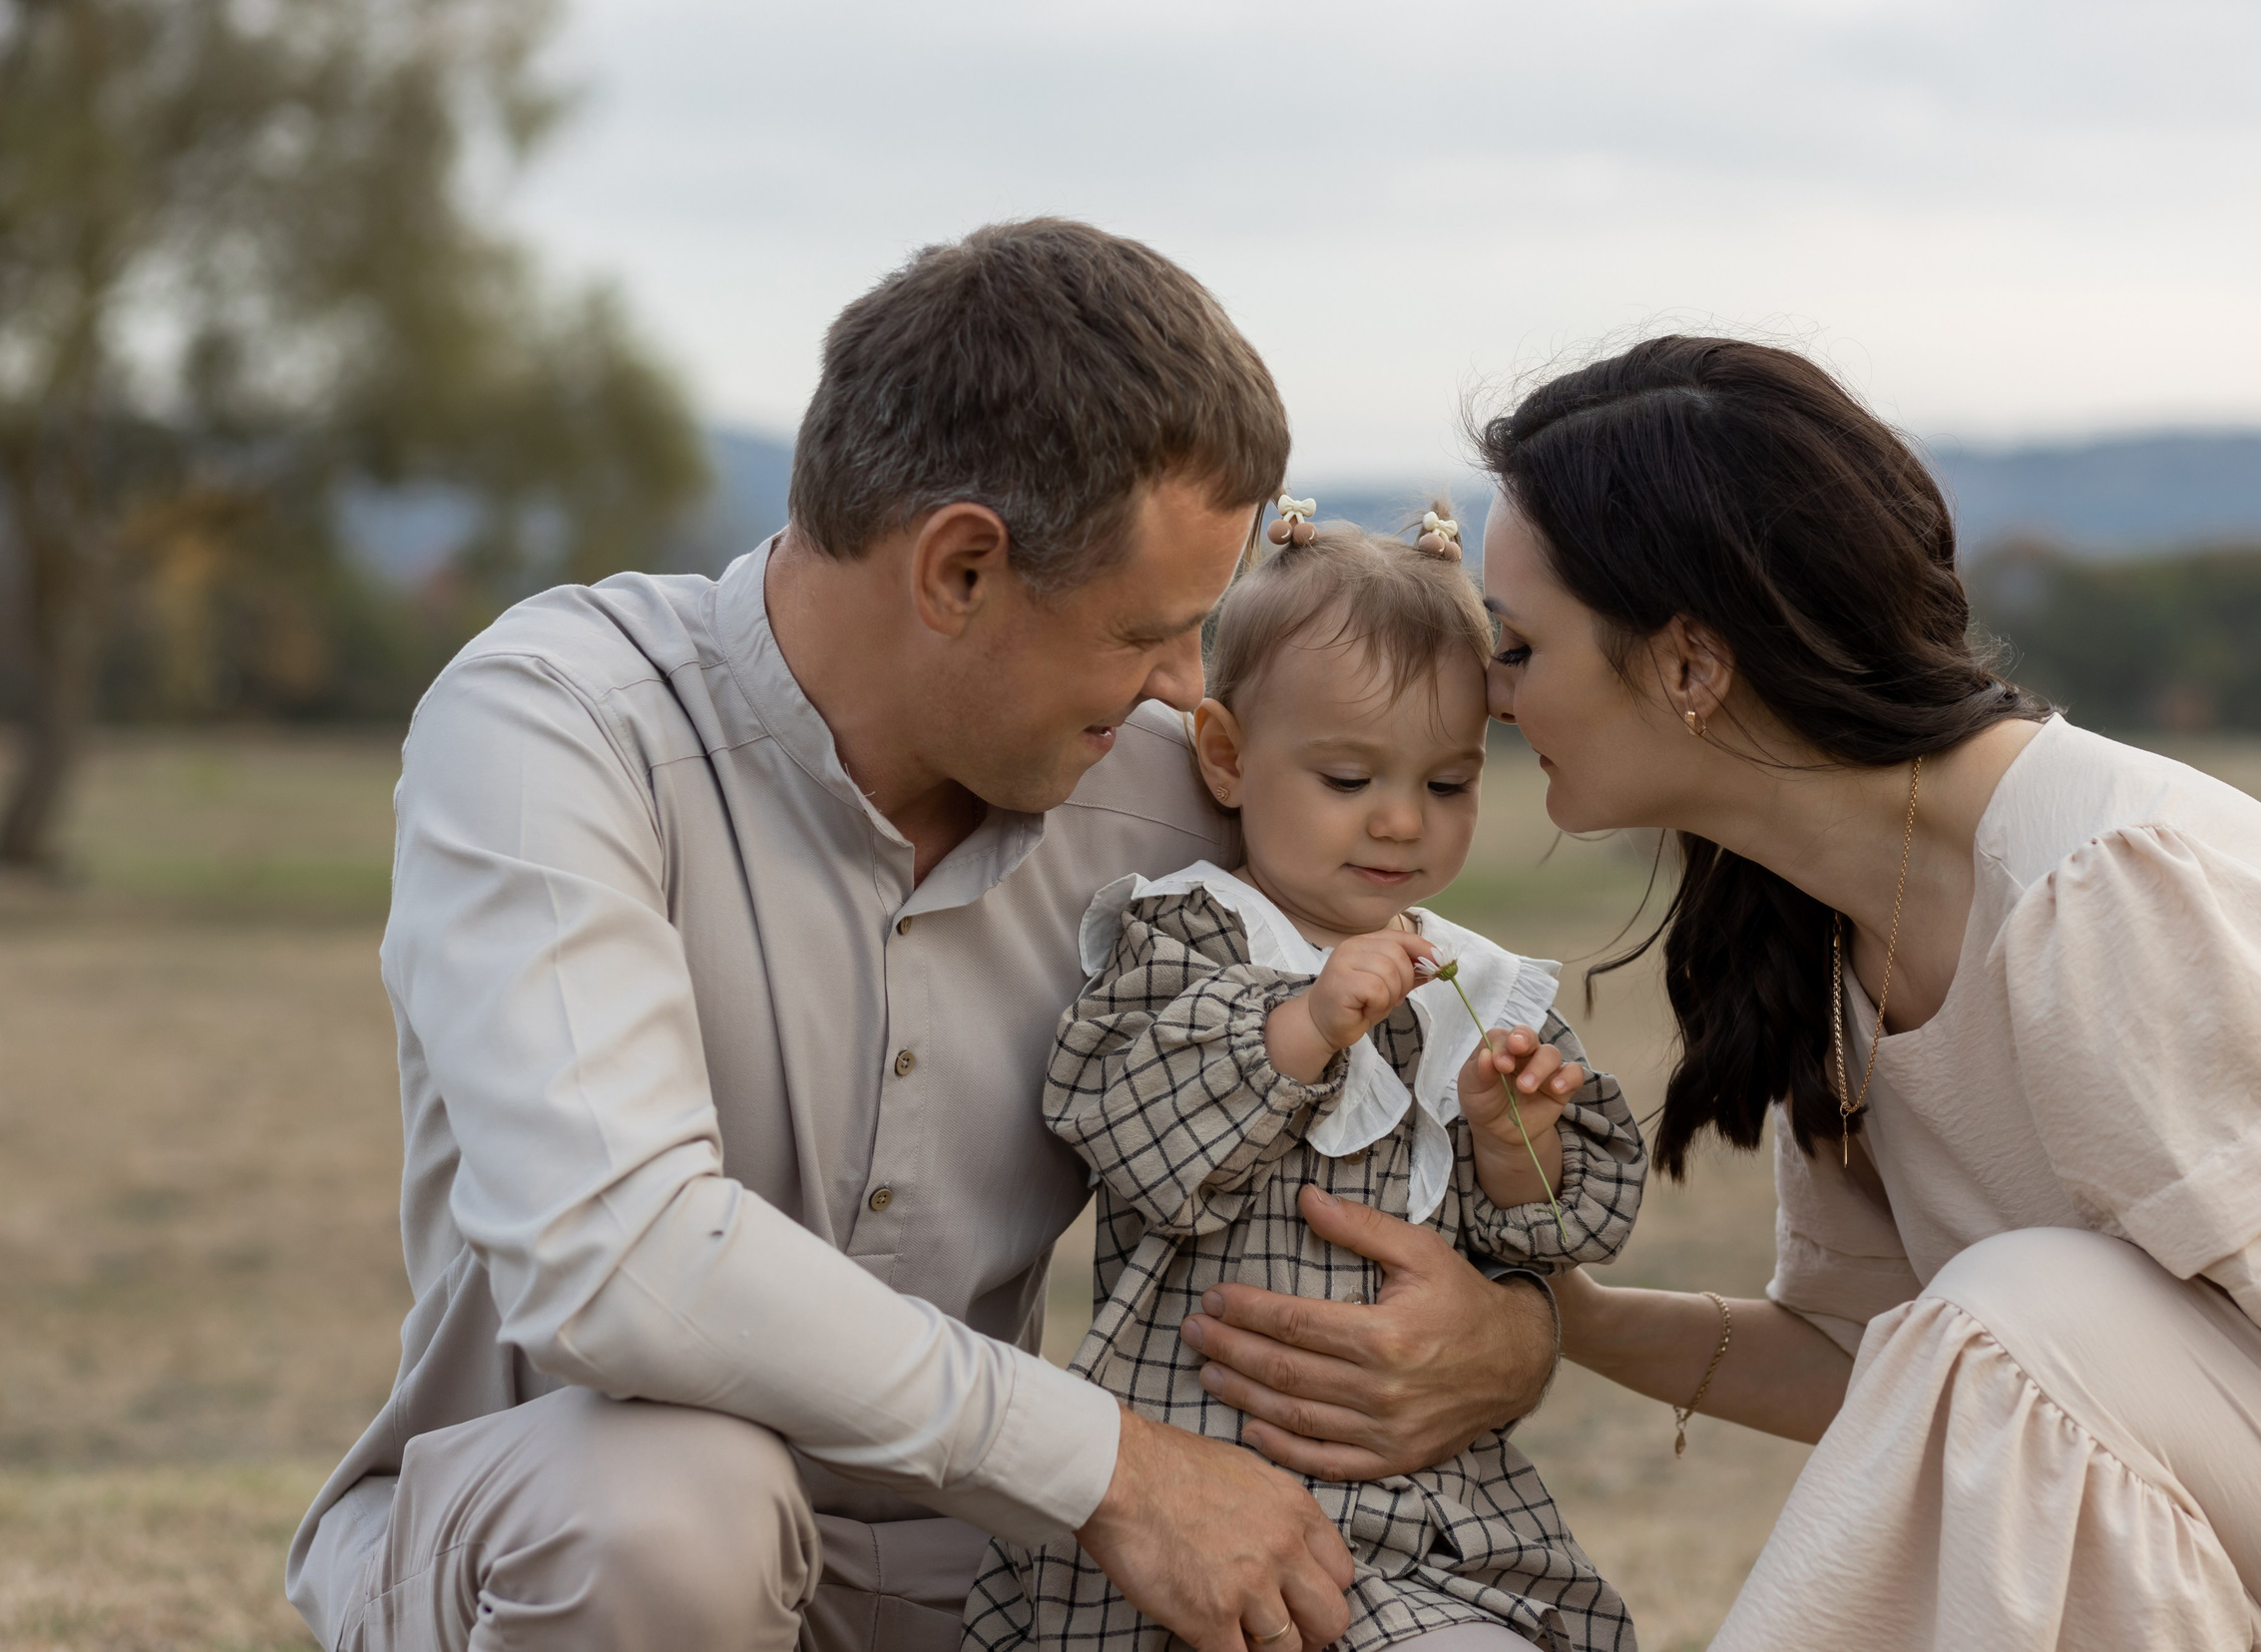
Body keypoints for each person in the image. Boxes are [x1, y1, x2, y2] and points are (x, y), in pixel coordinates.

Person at [282, 220, 1564, 1652]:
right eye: (1149, 628)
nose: (1180, 685)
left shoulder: (1166, 783)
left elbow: (1413, 1052)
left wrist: (1515, 1337)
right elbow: (618, 1260)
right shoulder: (553, 726)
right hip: (576, 1531)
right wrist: (1118, 1467)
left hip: (1000, 1570)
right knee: (667, 1509)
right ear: (960, 568)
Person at [1470, 336, 2261, 1650]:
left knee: (2036, 1303)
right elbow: (1878, 1361)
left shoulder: (2104, 892)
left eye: (1518, 644)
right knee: (2020, 1317)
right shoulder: (1833, 936)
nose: (1492, 693)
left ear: (1692, 666)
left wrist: (2171, 1327)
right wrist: (1558, 1318)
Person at [966, 512, 1646, 1652]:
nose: (1399, 821)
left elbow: (1534, 1242)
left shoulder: (1472, 984)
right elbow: (1127, 1126)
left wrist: (1506, 1139)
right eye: (1347, 777)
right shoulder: (1188, 935)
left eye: (1447, 784)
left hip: (1410, 1505)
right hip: (1196, 1480)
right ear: (1225, 756)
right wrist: (1307, 1021)